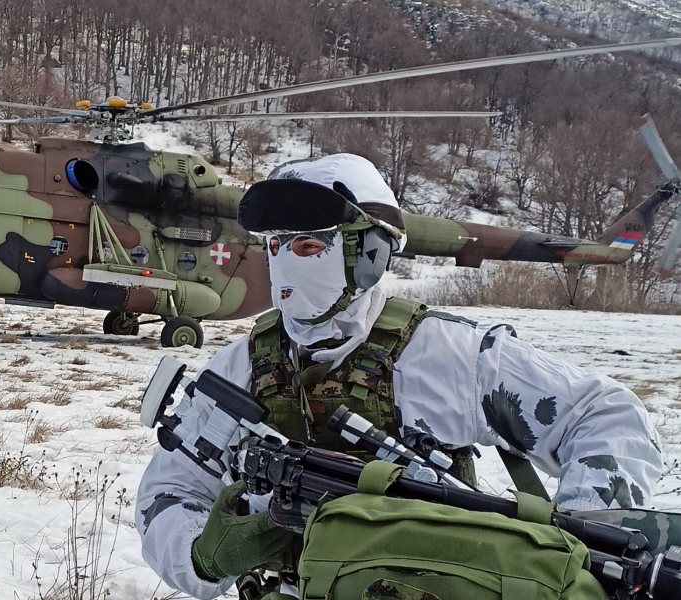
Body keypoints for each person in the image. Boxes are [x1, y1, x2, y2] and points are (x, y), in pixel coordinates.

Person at [135, 153, 663, 600]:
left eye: (308, 246)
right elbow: (168, 492)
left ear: (368, 253)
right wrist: (203, 555)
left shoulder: (450, 355)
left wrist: (577, 548)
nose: (285, 264)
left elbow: (606, 416)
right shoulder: (241, 367)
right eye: (275, 245)